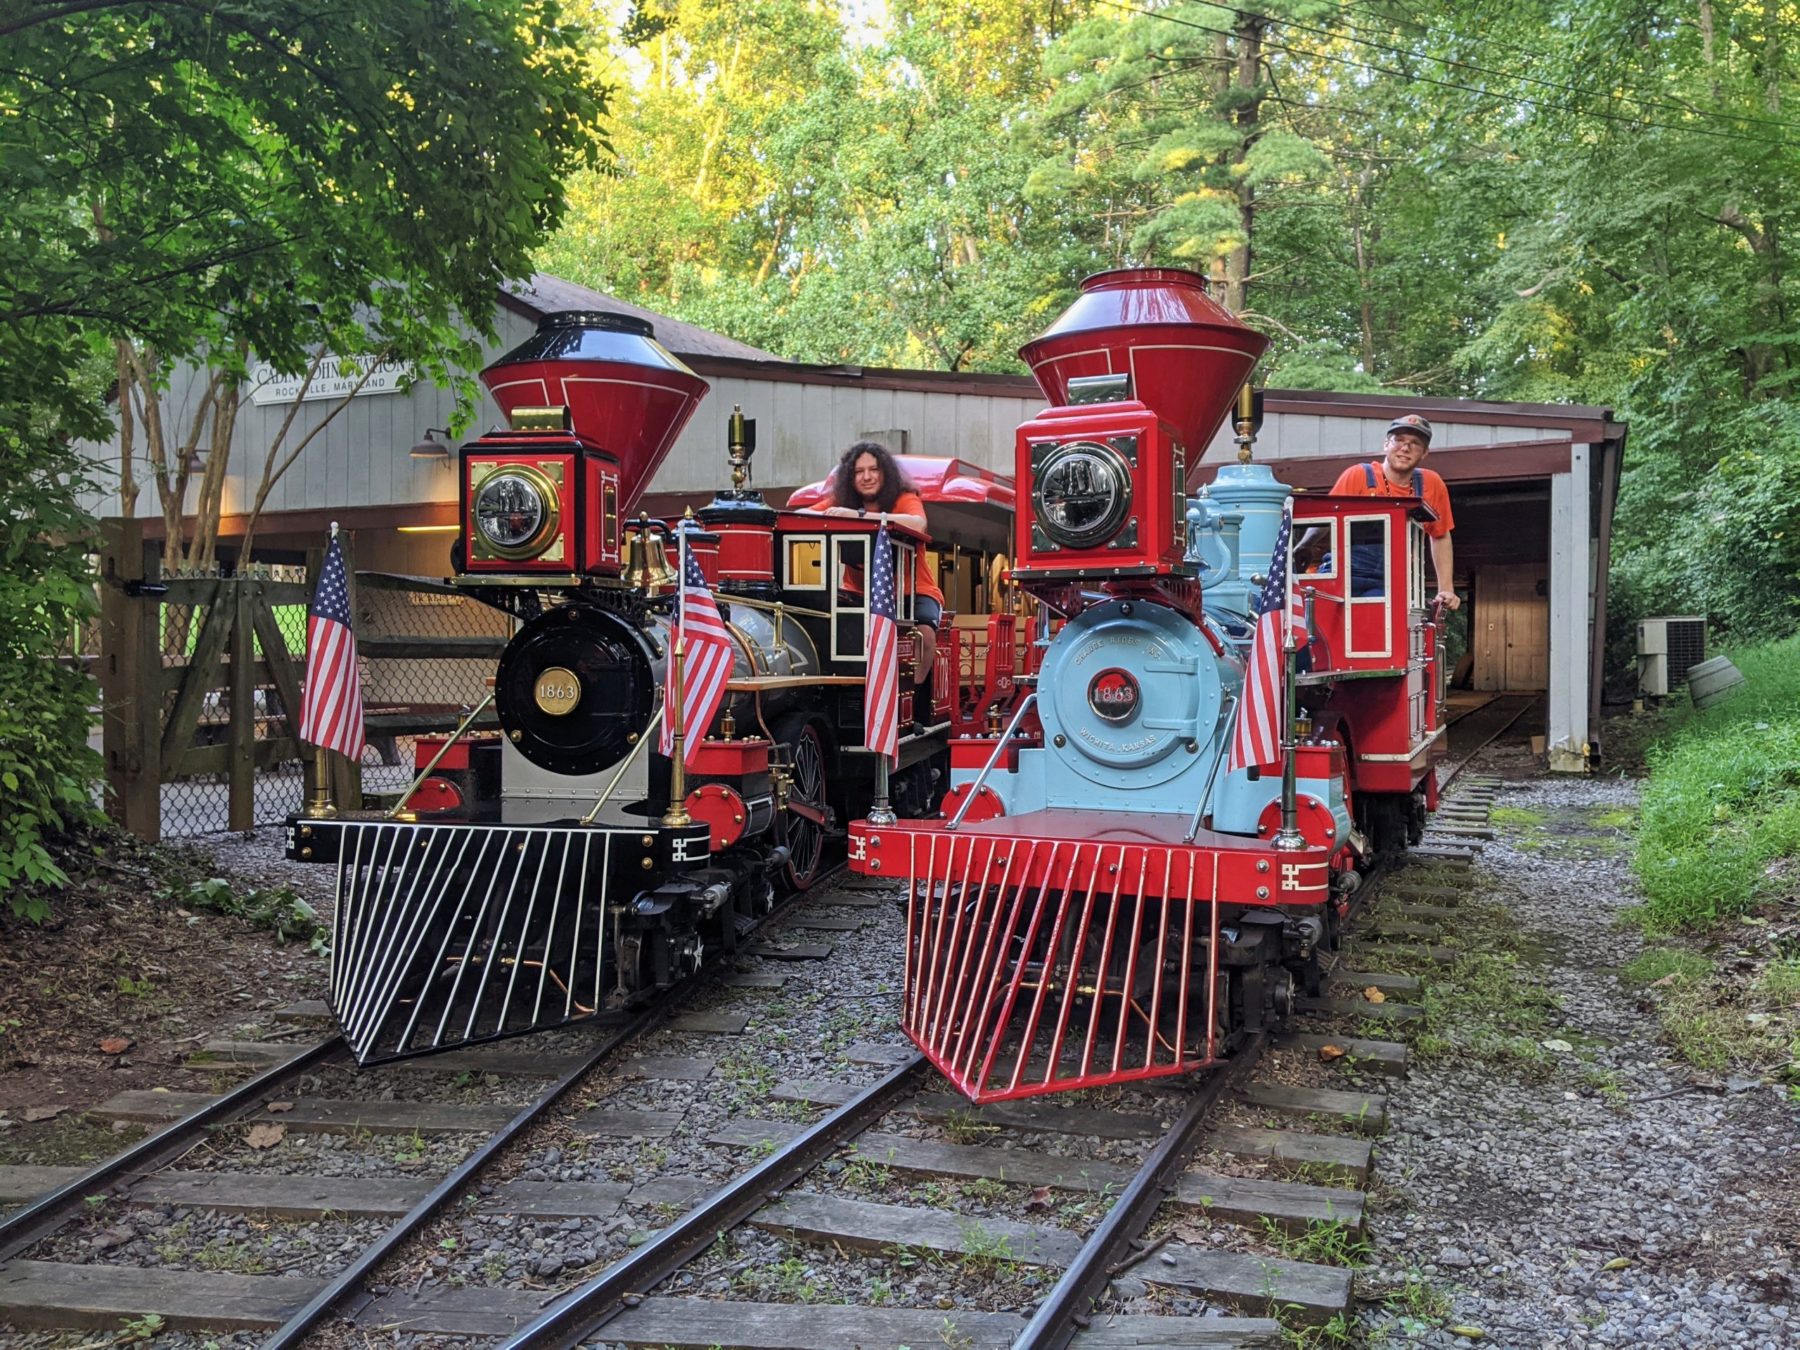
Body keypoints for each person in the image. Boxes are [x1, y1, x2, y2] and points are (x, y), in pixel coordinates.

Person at [804, 440, 945, 683]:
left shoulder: (904, 497)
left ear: (885, 473)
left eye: (873, 469)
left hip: (914, 590)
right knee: (825, 623)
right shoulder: (841, 502)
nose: (866, 477)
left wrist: (860, 517)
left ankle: (914, 696)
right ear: (850, 477)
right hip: (858, 592)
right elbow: (802, 515)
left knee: (924, 633)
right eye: (859, 471)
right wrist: (833, 515)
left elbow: (918, 523)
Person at [1330, 414, 1460, 611]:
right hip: (1344, 573)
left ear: (1425, 453)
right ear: (1386, 444)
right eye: (1399, 440)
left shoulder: (1431, 484)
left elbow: (1440, 535)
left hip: (1393, 580)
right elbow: (1324, 520)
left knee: (1387, 621)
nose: (1405, 448)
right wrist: (1302, 548)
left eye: (1415, 443)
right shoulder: (1358, 475)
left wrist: (1447, 589)